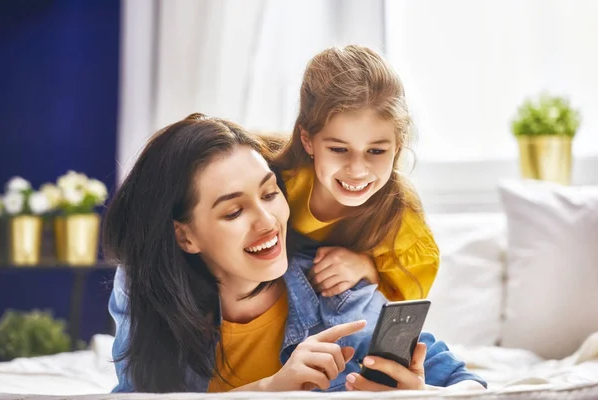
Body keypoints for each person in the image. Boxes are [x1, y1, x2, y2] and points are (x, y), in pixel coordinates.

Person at [105, 114, 487, 393]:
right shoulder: (144, 292)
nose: (267, 221)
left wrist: (420, 396)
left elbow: (470, 385)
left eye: (270, 193)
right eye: (234, 211)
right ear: (185, 237)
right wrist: (271, 390)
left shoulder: (338, 295)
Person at [267, 45, 439, 301]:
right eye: (338, 149)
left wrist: (368, 269)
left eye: (376, 151)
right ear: (308, 140)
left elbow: (402, 312)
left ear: (398, 146)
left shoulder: (401, 221)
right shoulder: (270, 175)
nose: (357, 170)